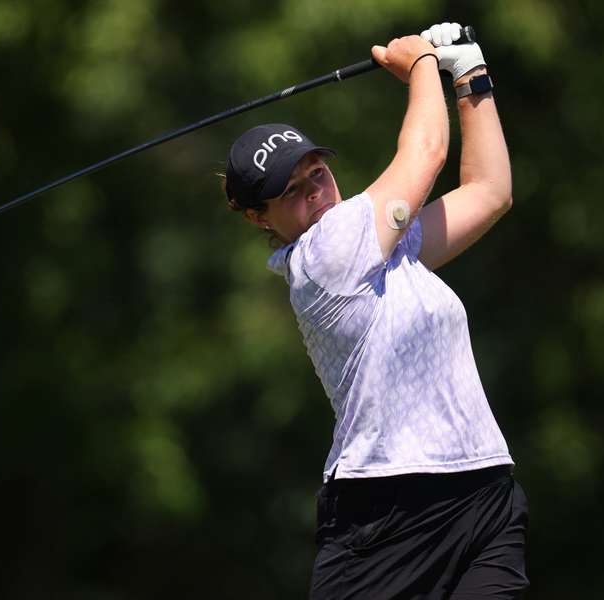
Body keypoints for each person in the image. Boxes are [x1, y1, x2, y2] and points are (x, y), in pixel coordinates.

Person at [222, 22, 528, 599]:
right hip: (388, 511)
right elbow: (428, 151)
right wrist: (418, 67)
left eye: (318, 172)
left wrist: (469, 72)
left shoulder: (386, 250)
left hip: (484, 489)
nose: (315, 190)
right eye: (291, 191)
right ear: (258, 218)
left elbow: (490, 191)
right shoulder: (325, 254)